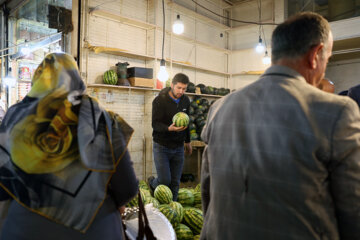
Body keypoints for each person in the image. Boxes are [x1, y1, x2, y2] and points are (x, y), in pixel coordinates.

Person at [200, 12, 360, 240]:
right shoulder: (337, 112)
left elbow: (208, 195)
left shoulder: (219, 108)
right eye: (328, 58)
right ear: (315, 55)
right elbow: (353, 214)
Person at [0, 53, 138, 240]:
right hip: (95, 231)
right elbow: (127, 188)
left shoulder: (14, 118)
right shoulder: (99, 117)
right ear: (76, 79)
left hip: (22, 230)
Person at [148, 73, 192, 201]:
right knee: (164, 181)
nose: (181, 91)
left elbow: (187, 123)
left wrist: (188, 142)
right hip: (162, 146)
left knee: (175, 182)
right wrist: (169, 128)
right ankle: (152, 183)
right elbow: (154, 124)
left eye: (184, 89)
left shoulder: (185, 100)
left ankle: (173, 207)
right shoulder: (159, 100)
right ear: (172, 85)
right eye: (179, 88)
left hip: (178, 147)